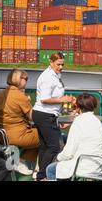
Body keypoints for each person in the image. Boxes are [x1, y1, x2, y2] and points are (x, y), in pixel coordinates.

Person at [32, 52, 75, 181]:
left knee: (45, 146)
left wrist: (65, 100)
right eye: (58, 64)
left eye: (62, 64)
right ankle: (43, 175)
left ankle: (40, 175)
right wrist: (62, 99)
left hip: (43, 114)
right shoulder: (47, 77)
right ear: (51, 62)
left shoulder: (55, 75)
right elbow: (45, 99)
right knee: (55, 146)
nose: (61, 67)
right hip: (44, 114)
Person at [46, 94, 102, 180]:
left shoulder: (78, 122)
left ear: (78, 107)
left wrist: (57, 158)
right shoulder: (97, 121)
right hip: (101, 164)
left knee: (50, 169)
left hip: (85, 166)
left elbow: (68, 153)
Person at [0, 69, 40, 175]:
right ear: (19, 79)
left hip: (2, 135)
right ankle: (37, 169)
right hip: (18, 136)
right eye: (26, 79)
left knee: (37, 134)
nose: (27, 81)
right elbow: (32, 117)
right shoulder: (20, 96)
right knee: (47, 135)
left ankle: (19, 161)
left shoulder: (1, 94)